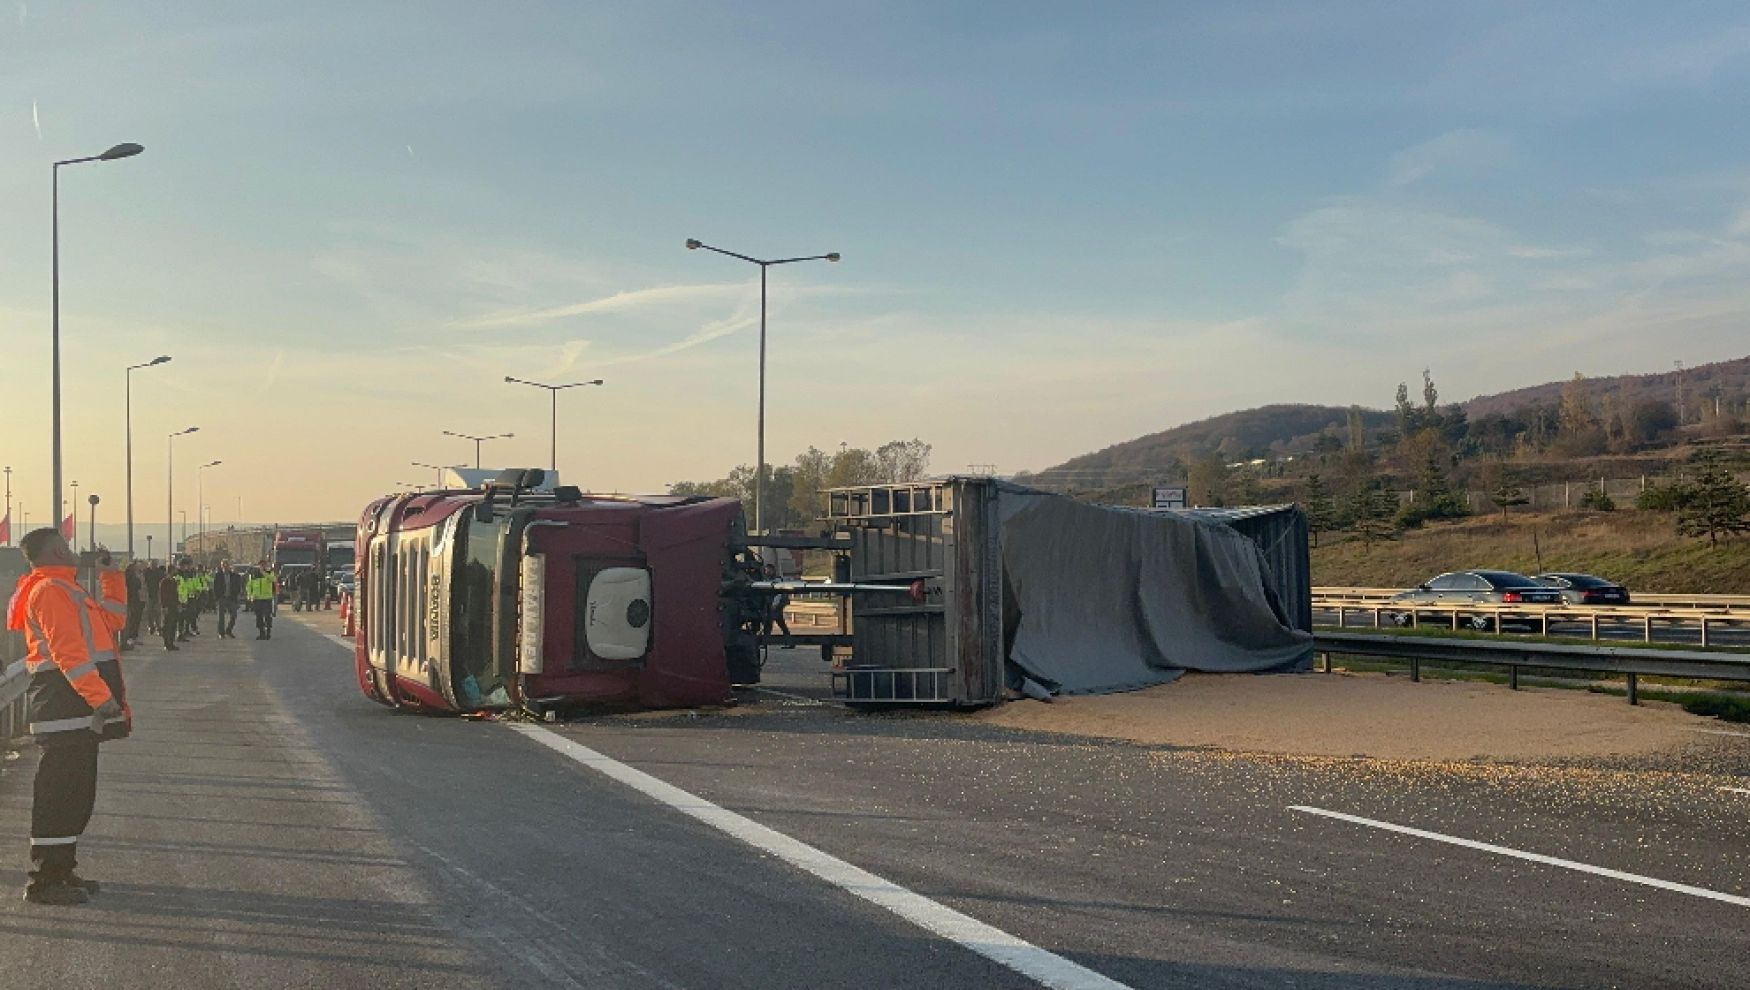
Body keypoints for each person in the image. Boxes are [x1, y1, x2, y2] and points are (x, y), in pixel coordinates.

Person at [6, 528, 130, 906]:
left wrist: (111, 577)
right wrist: (101, 698)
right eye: (68, 546)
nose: (75, 551)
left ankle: (62, 868)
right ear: (58, 550)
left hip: (75, 709)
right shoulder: (51, 592)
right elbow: (68, 653)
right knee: (60, 795)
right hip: (65, 706)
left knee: (75, 793)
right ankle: (45, 879)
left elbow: (115, 622)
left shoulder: (68, 590)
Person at [761, 564, 793, 646]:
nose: (766, 572)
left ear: (772, 571)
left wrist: (774, 604)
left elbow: (779, 594)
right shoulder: (768, 580)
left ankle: (765, 641)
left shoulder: (777, 580)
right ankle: (789, 641)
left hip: (777, 604)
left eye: (768, 570)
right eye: (766, 570)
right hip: (774, 604)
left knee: (769, 622)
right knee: (780, 622)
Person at [212, 561, 244, 639]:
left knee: (234, 615)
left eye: (227, 565)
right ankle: (221, 633)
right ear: (221, 566)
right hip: (221, 598)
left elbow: (238, 586)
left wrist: (237, 594)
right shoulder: (218, 576)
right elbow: (215, 587)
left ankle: (229, 630)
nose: (225, 566)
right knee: (221, 617)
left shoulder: (234, 576)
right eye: (224, 565)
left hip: (231, 598)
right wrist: (217, 597)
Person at [248, 562, 276, 640]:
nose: (262, 566)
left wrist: (264, 573)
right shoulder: (254, 574)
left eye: (264, 565)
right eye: (261, 565)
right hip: (257, 599)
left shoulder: (270, 573)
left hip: (267, 598)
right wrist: (250, 595)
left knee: (267, 616)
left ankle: (268, 632)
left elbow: (273, 579)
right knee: (259, 617)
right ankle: (261, 633)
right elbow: (249, 585)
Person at [156, 563, 181, 651]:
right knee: (167, 625)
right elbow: (162, 595)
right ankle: (166, 643)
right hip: (167, 606)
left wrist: (178, 604)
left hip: (174, 605)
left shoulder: (173, 581)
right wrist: (164, 606)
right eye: (174, 570)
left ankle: (171, 642)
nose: (175, 571)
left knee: (173, 624)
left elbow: (176, 594)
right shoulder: (164, 582)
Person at [121, 561, 144, 651]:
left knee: (134, 619)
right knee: (131, 620)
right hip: (131, 600)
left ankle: (131, 638)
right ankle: (129, 639)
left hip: (133, 600)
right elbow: (137, 586)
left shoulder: (129, 576)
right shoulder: (130, 576)